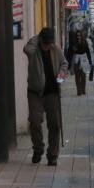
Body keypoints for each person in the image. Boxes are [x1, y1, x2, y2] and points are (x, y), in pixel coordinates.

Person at [24, 27, 68, 165]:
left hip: (52, 91)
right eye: (46, 42)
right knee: (35, 122)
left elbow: (64, 63)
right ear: (41, 40)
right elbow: (26, 48)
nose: (48, 45)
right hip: (35, 92)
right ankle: (38, 148)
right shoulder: (34, 50)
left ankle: (53, 155)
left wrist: (61, 73)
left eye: (50, 42)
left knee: (55, 124)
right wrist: (38, 37)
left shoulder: (55, 50)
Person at [66, 30, 93, 95]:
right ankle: (79, 91)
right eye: (77, 36)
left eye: (79, 35)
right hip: (76, 60)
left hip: (83, 60)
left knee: (83, 76)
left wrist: (90, 62)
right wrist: (68, 62)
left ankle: (83, 89)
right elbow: (70, 52)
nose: (78, 37)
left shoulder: (85, 42)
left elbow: (88, 52)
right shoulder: (73, 43)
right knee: (77, 76)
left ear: (81, 35)